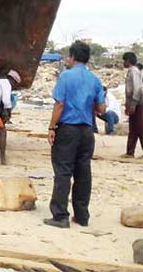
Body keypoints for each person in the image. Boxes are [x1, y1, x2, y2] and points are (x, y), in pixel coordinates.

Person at [44, 41, 106, 228]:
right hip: (87, 130)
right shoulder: (94, 79)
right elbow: (101, 108)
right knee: (83, 172)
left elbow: (59, 104)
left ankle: (60, 215)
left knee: (63, 171)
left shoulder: (65, 77)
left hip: (68, 129)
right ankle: (81, 215)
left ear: (72, 57)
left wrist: (51, 127)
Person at [122, 52, 143, 157]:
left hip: (138, 103)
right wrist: (128, 105)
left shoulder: (134, 71)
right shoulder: (131, 71)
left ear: (128, 61)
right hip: (134, 103)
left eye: (124, 60)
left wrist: (133, 104)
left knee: (139, 127)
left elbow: (138, 88)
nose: (123, 63)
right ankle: (130, 152)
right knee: (133, 128)